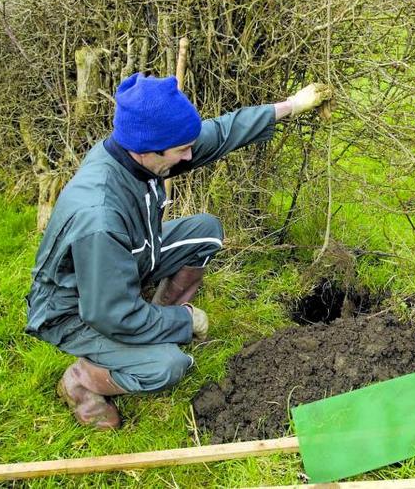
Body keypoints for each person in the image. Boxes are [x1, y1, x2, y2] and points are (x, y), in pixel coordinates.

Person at [25, 73, 332, 430]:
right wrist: (186, 320)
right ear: (148, 150)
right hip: (76, 308)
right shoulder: (100, 217)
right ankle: (82, 379)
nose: (189, 155)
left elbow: (217, 134)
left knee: (206, 232)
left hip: (126, 260)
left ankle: (156, 322)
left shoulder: (137, 150)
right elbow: (111, 314)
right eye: (181, 150)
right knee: (168, 366)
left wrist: (292, 105)